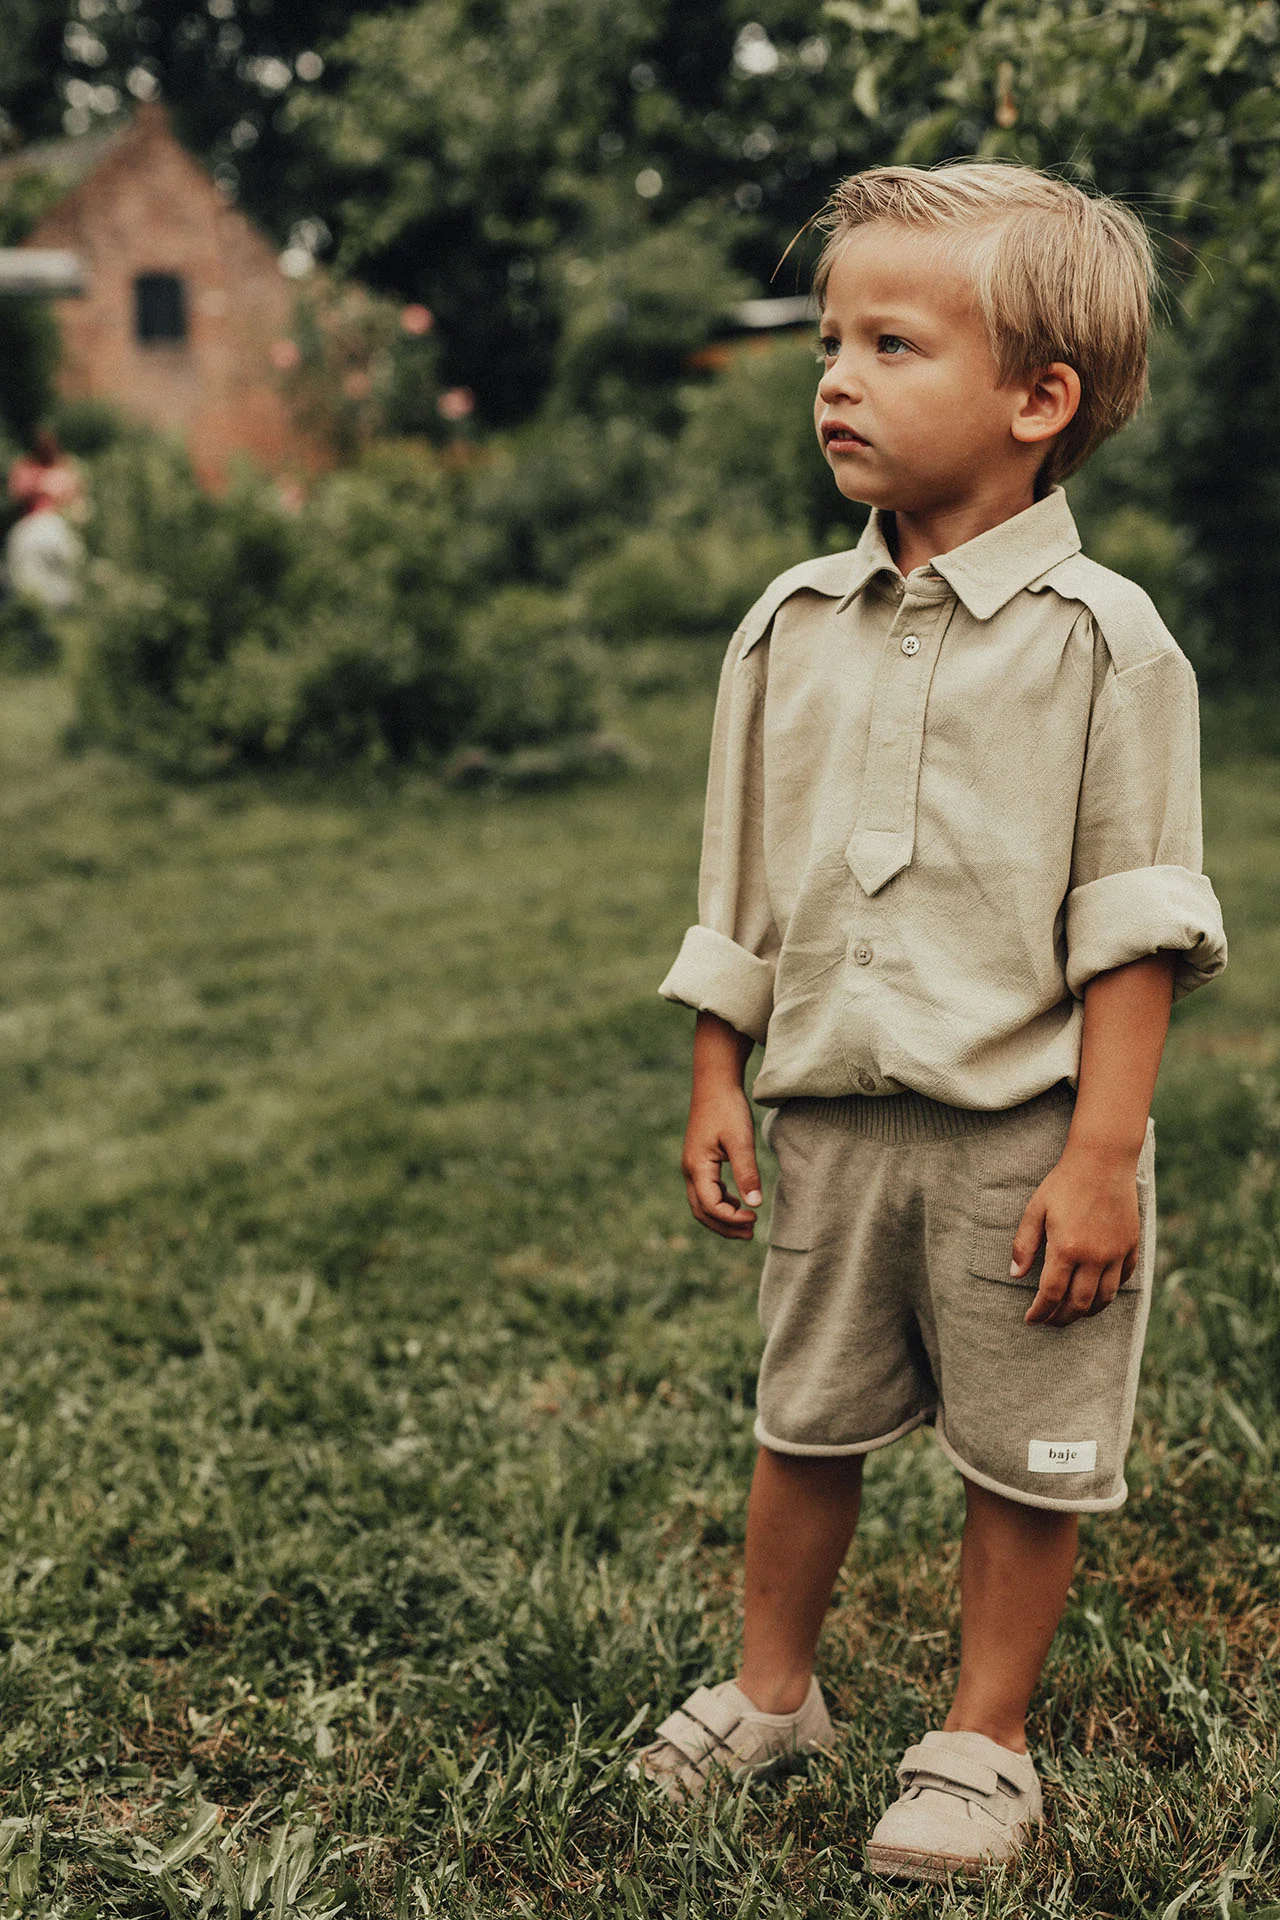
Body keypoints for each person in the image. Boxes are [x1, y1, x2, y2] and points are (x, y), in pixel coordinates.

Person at [635, 162, 1227, 1882]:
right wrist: (715, 1074)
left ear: (1040, 401)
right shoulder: (786, 627)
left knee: (1023, 1455)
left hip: (1021, 1136)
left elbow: (1134, 925)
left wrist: (1102, 1157)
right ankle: (772, 1693)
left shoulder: (1107, 647)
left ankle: (982, 1740)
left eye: (893, 343)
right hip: (825, 1118)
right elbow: (735, 889)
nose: (836, 375)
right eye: (831, 339)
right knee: (800, 1418)